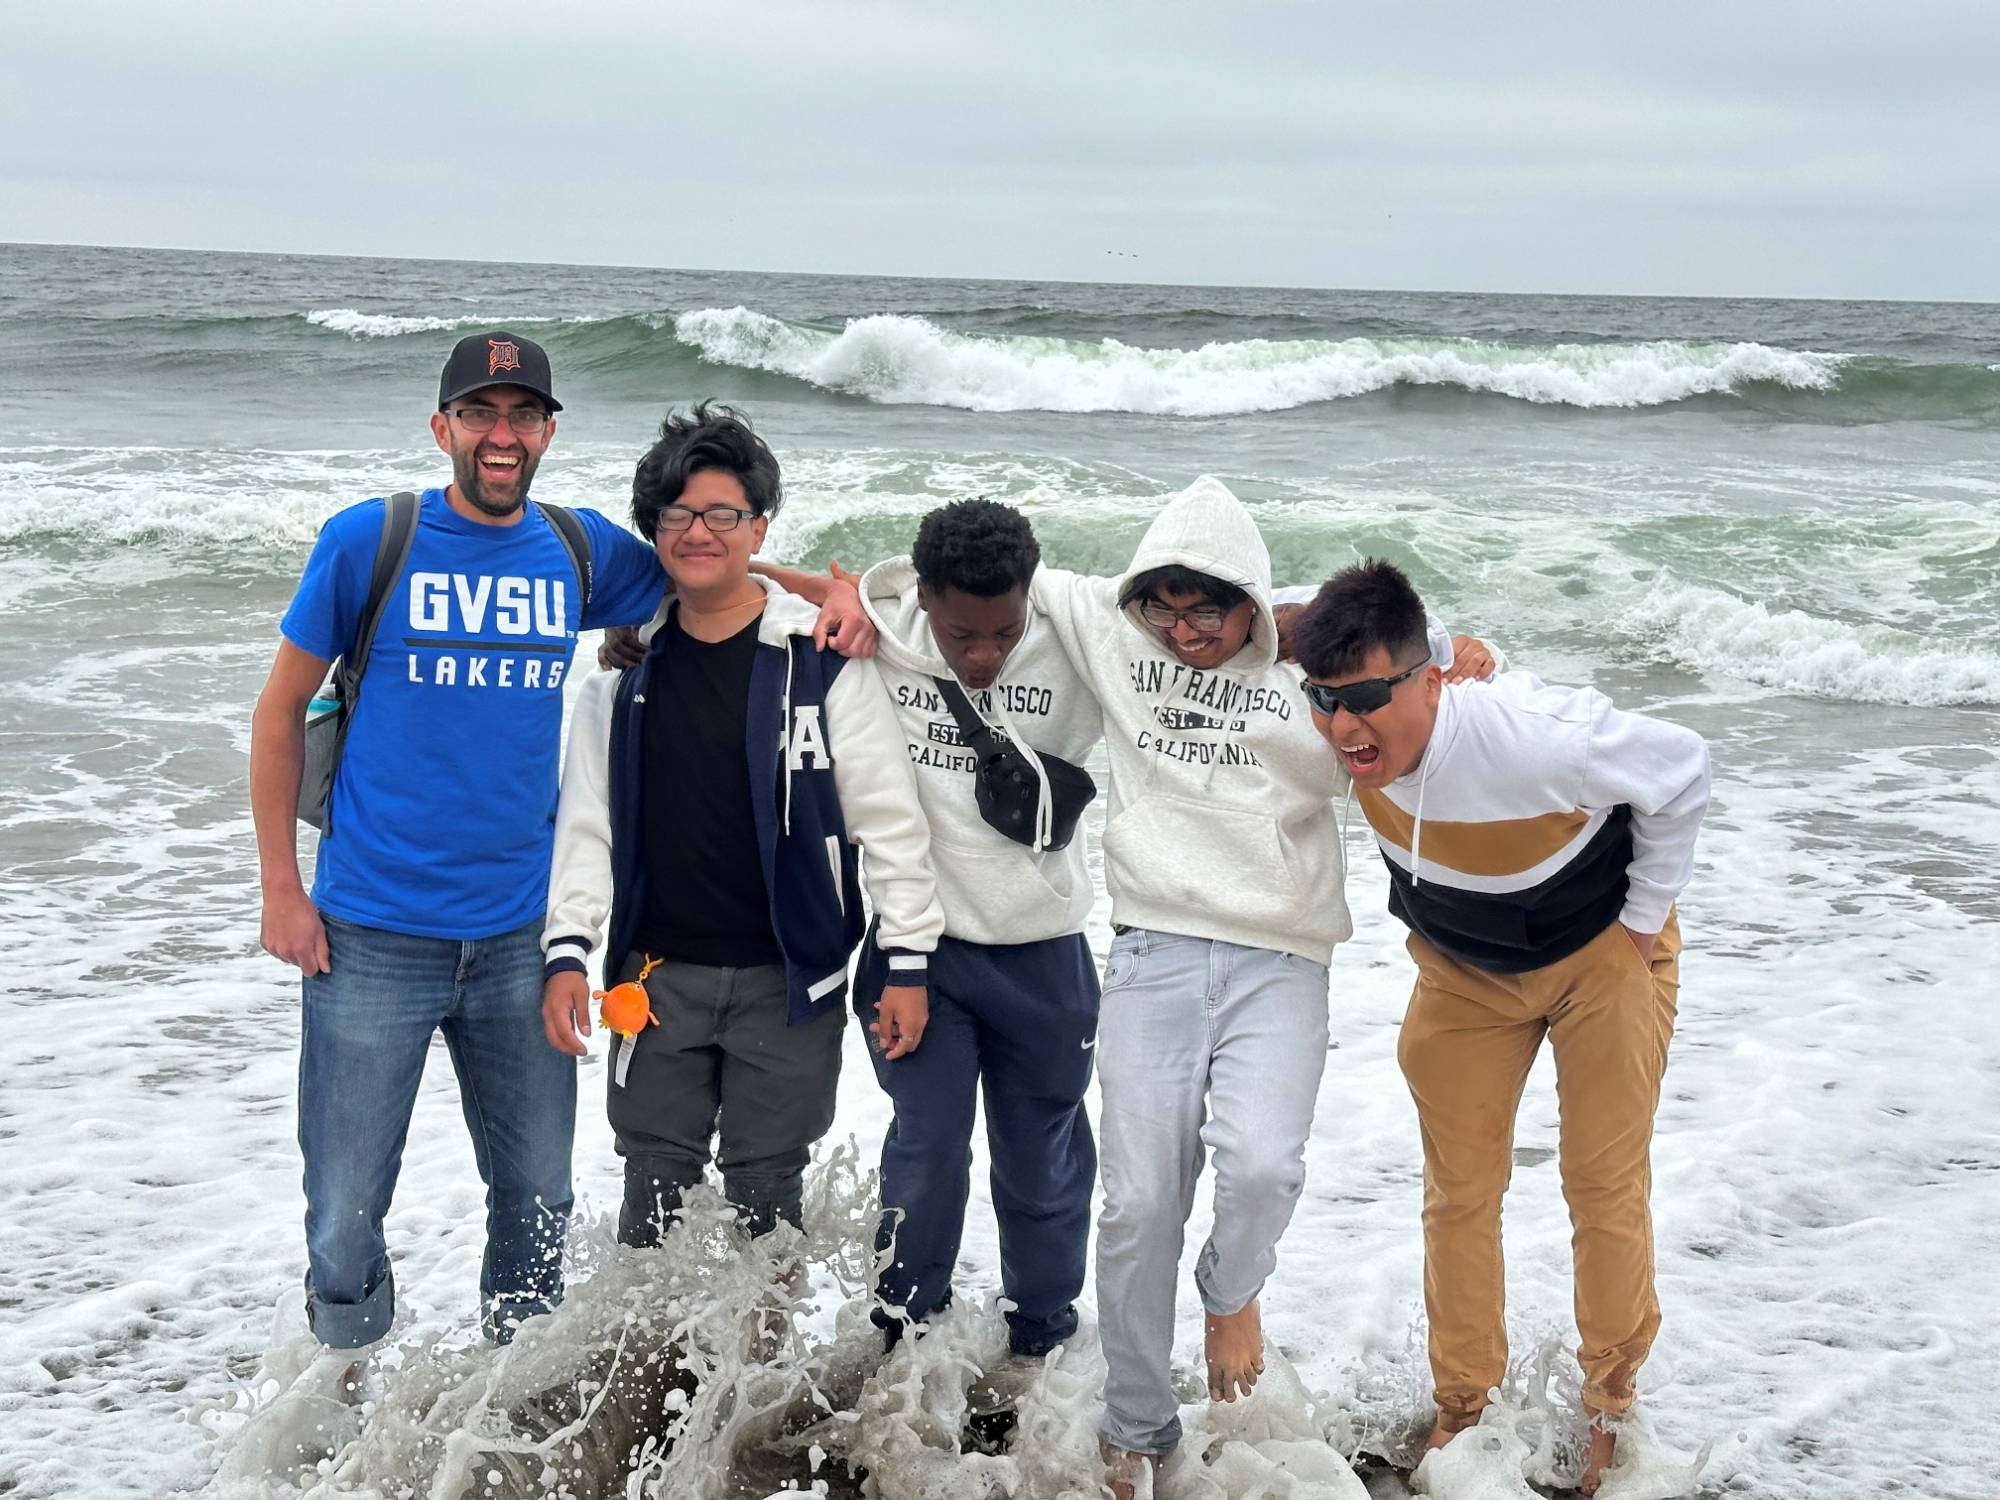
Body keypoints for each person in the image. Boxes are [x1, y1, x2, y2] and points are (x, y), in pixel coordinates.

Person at [1025, 476, 1499, 1495]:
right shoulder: (1118, 638)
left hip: (1280, 959)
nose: (1183, 628)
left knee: (1262, 1171)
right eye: (1164, 605)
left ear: (1251, 596)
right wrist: (832, 595)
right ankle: (1135, 1424)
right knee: (1137, 1201)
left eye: (1208, 606)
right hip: (1151, 951)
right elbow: (969, 578)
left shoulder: (1310, 675)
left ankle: (1229, 1295)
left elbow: (1420, 653)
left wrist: (1461, 658)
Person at [249, 331, 669, 1349]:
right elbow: (278, 712)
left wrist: (833, 597)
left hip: (521, 940)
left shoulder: (576, 549)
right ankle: (345, 1384)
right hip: (370, 936)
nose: (501, 433)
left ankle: (506, 1394)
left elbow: (707, 565)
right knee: (344, 1209)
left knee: (536, 1201)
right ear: (442, 427)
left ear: (548, 434)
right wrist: (280, 891)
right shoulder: (370, 539)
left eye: (523, 414)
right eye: (479, 412)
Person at [1291, 559, 1709, 1496]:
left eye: (1364, 699)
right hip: (1462, 971)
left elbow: (1683, 767)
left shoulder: (1535, 735)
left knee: (1602, 1182)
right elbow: (1229, 607)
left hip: (1602, 953)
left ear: (1427, 679)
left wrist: (1642, 923)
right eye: (1325, 699)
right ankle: (1464, 1406)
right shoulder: (1347, 698)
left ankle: (1610, 1405)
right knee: (1458, 1192)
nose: (1344, 726)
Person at [539, 404, 943, 1248]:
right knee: (651, 1196)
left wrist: (907, 962)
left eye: (724, 514)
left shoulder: (821, 662)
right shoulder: (621, 680)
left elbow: (888, 824)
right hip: (654, 980)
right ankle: (653, 1376)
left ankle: (757, 1374)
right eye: (677, 515)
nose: (699, 532)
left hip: (787, 980)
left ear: (759, 524)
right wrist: (568, 951)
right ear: (652, 529)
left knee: (769, 1204)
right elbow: (587, 830)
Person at [757, 499, 1106, 1366]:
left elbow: (1225, 621)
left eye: (1001, 633)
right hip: (922, 956)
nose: (982, 654)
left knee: (1043, 1161)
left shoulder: (1078, 625)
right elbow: (744, 586)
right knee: (928, 1148)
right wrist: (635, 632)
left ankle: (1044, 1345)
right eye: (962, 635)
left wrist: (1438, 652)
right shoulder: (888, 619)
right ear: (924, 600)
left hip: (1044, 955)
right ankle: (906, 1340)